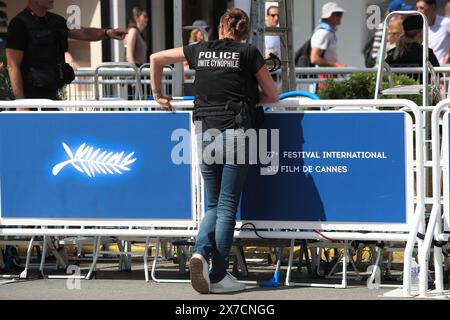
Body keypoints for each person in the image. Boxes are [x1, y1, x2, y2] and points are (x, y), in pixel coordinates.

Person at [150, 8, 278, 294]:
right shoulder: (248, 53)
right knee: (227, 206)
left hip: (204, 131)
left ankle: (200, 253)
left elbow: (156, 58)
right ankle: (218, 275)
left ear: (220, 28)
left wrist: (158, 93)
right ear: (244, 31)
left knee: (212, 204)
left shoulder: (199, 49)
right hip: (237, 131)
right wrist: (247, 98)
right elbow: (272, 95)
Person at [6, 0, 127, 105]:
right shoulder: (19, 24)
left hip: (51, 98)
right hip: (30, 100)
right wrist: (21, 103)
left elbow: (83, 32)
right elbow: (12, 65)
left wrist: (107, 33)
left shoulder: (56, 21)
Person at [386, 14, 439, 81]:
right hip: (421, 91)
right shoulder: (426, 53)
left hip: (394, 91)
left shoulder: (391, 54)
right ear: (420, 34)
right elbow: (437, 75)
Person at [416, 0, 450, 64]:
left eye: (421, 8)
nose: (418, 11)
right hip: (424, 69)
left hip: (442, 69)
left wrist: (448, 56)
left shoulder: (446, 23)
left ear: (433, 7)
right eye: (417, 8)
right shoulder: (417, 26)